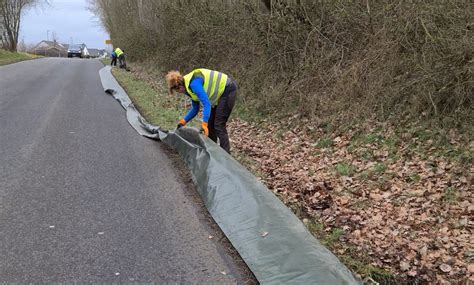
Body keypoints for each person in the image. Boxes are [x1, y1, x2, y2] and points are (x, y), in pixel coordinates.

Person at [166, 68, 237, 154]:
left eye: (177, 91)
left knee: (219, 125)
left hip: (228, 89)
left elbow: (207, 104)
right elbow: (195, 108)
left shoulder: (194, 84)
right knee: (210, 124)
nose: (179, 93)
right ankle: (212, 152)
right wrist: (183, 121)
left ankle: (226, 156)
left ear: (179, 86)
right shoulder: (188, 88)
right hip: (220, 94)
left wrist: (204, 123)